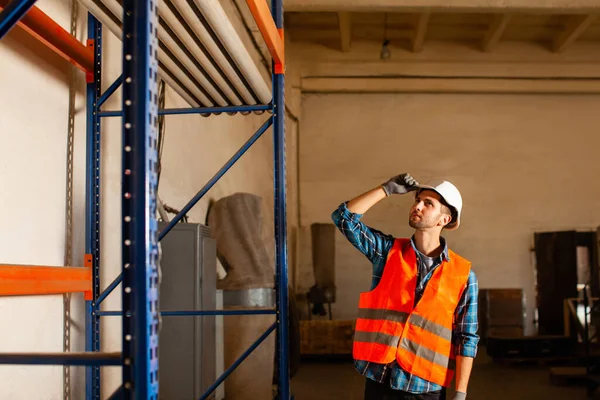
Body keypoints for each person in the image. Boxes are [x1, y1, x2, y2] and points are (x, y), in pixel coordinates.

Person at [331, 173, 479, 400]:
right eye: (417, 200)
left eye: (428, 203)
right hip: (380, 379)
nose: (417, 206)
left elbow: (466, 338)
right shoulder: (387, 252)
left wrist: (460, 394)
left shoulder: (464, 275)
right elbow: (343, 218)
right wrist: (385, 189)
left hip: (425, 387)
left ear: (444, 220)